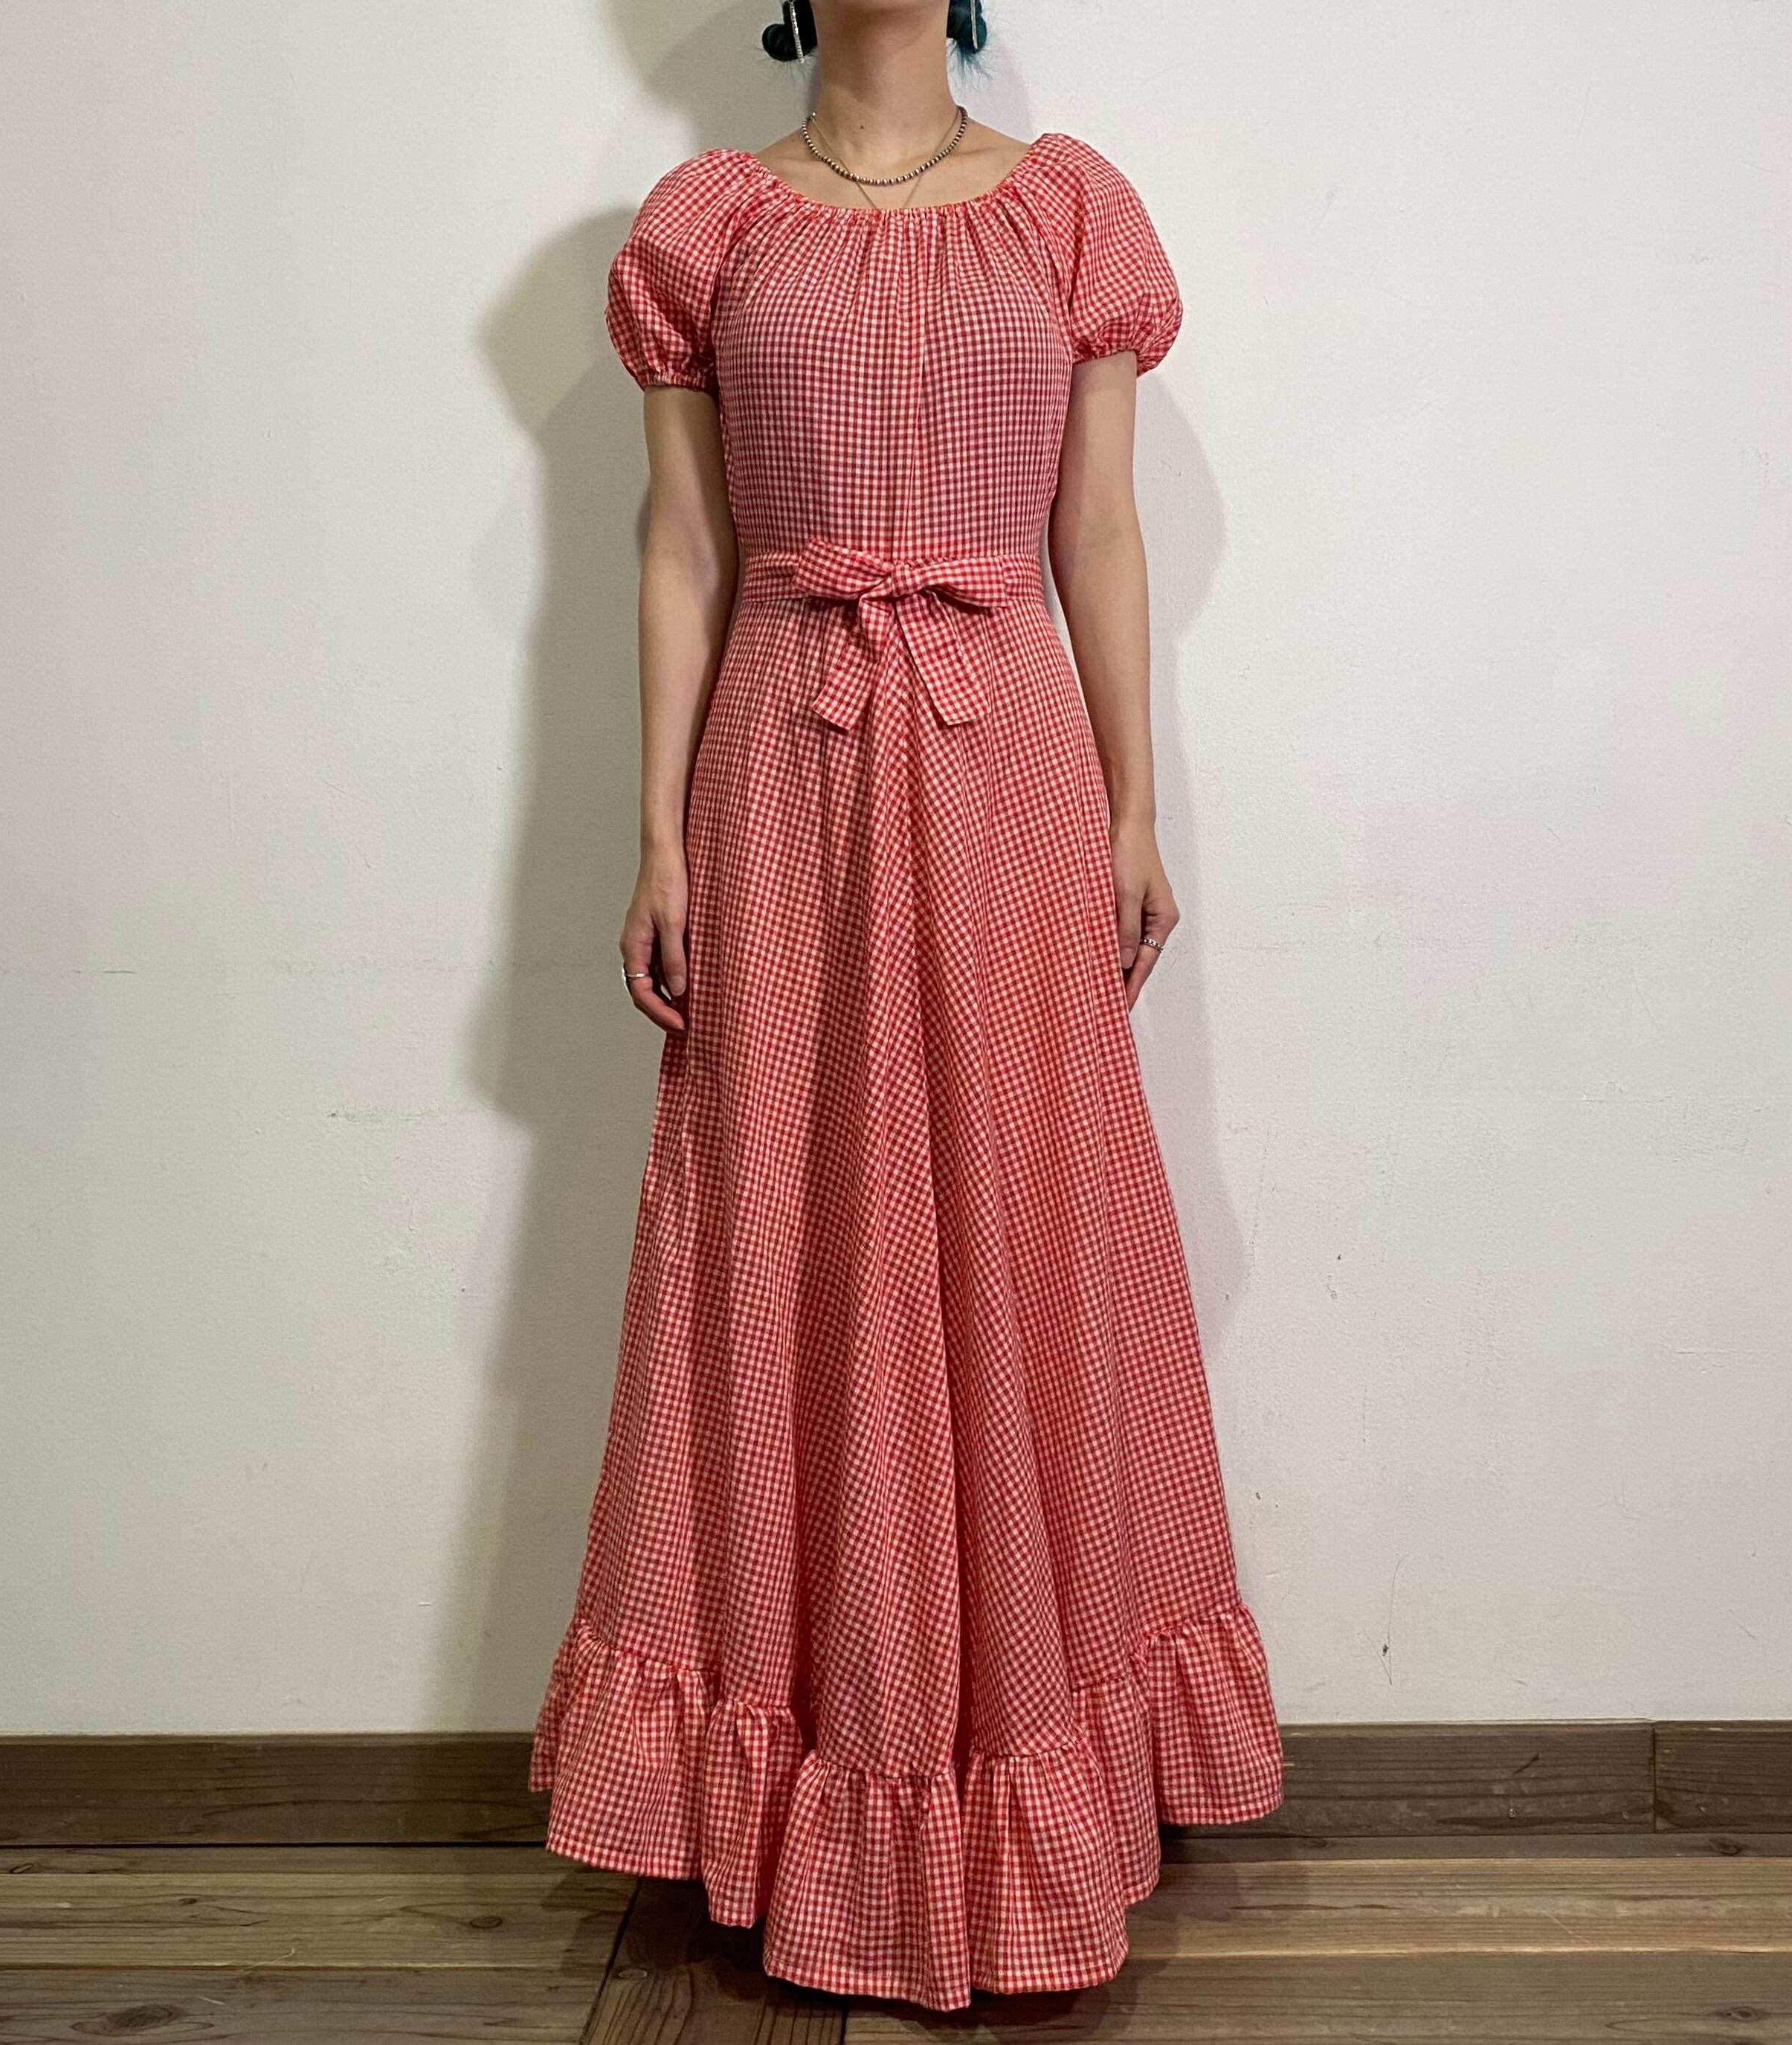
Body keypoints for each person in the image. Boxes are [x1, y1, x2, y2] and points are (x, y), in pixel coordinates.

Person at [530, 0, 1283, 2009]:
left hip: (1007, 757)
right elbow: (682, 542)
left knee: (1030, 1221)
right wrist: (655, 836)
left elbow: (1096, 530)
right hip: (782, 760)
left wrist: (1132, 805)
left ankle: (1037, 1777)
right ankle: (815, 1793)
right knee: (788, 1238)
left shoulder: (1070, 212)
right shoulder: (705, 223)